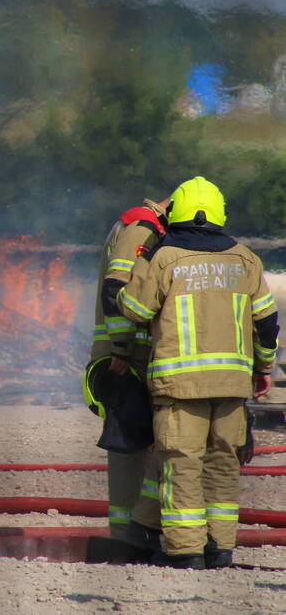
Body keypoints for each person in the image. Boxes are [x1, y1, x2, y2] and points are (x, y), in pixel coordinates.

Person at [117, 176, 278, 569]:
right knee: (223, 463)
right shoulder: (246, 259)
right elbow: (267, 321)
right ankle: (220, 548)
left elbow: (133, 310)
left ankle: (185, 551)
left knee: (182, 465)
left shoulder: (165, 258)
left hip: (180, 386)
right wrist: (264, 368)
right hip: (232, 383)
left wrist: (136, 267)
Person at [85, 196, 168, 544]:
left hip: (132, 352)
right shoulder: (143, 227)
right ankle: (127, 536)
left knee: (141, 444)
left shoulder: (142, 224)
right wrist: (120, 348)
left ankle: (137, 530)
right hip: (126, 356)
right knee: (129, 448)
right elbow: (116, 289)